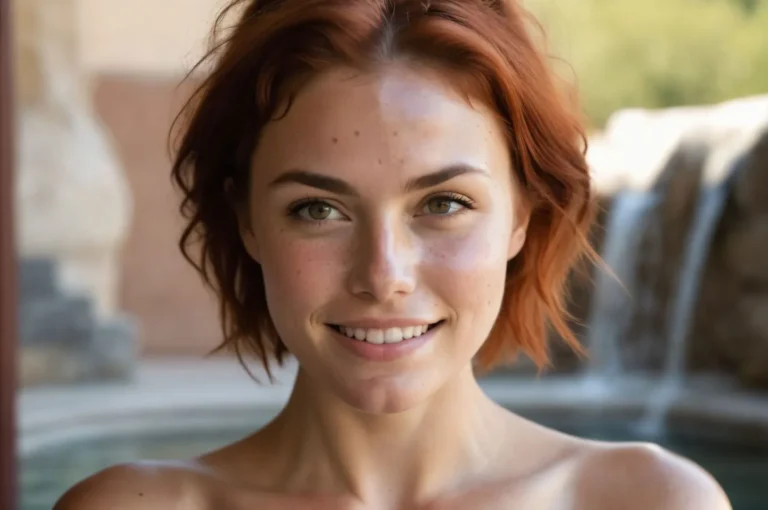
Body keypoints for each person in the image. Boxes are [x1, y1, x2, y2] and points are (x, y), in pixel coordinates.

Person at [55, 0, 731, 508]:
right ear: (248, 221)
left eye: (443, 204)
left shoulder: (650, 501)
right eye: (318, 210)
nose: (384, 275)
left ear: (523, 216)